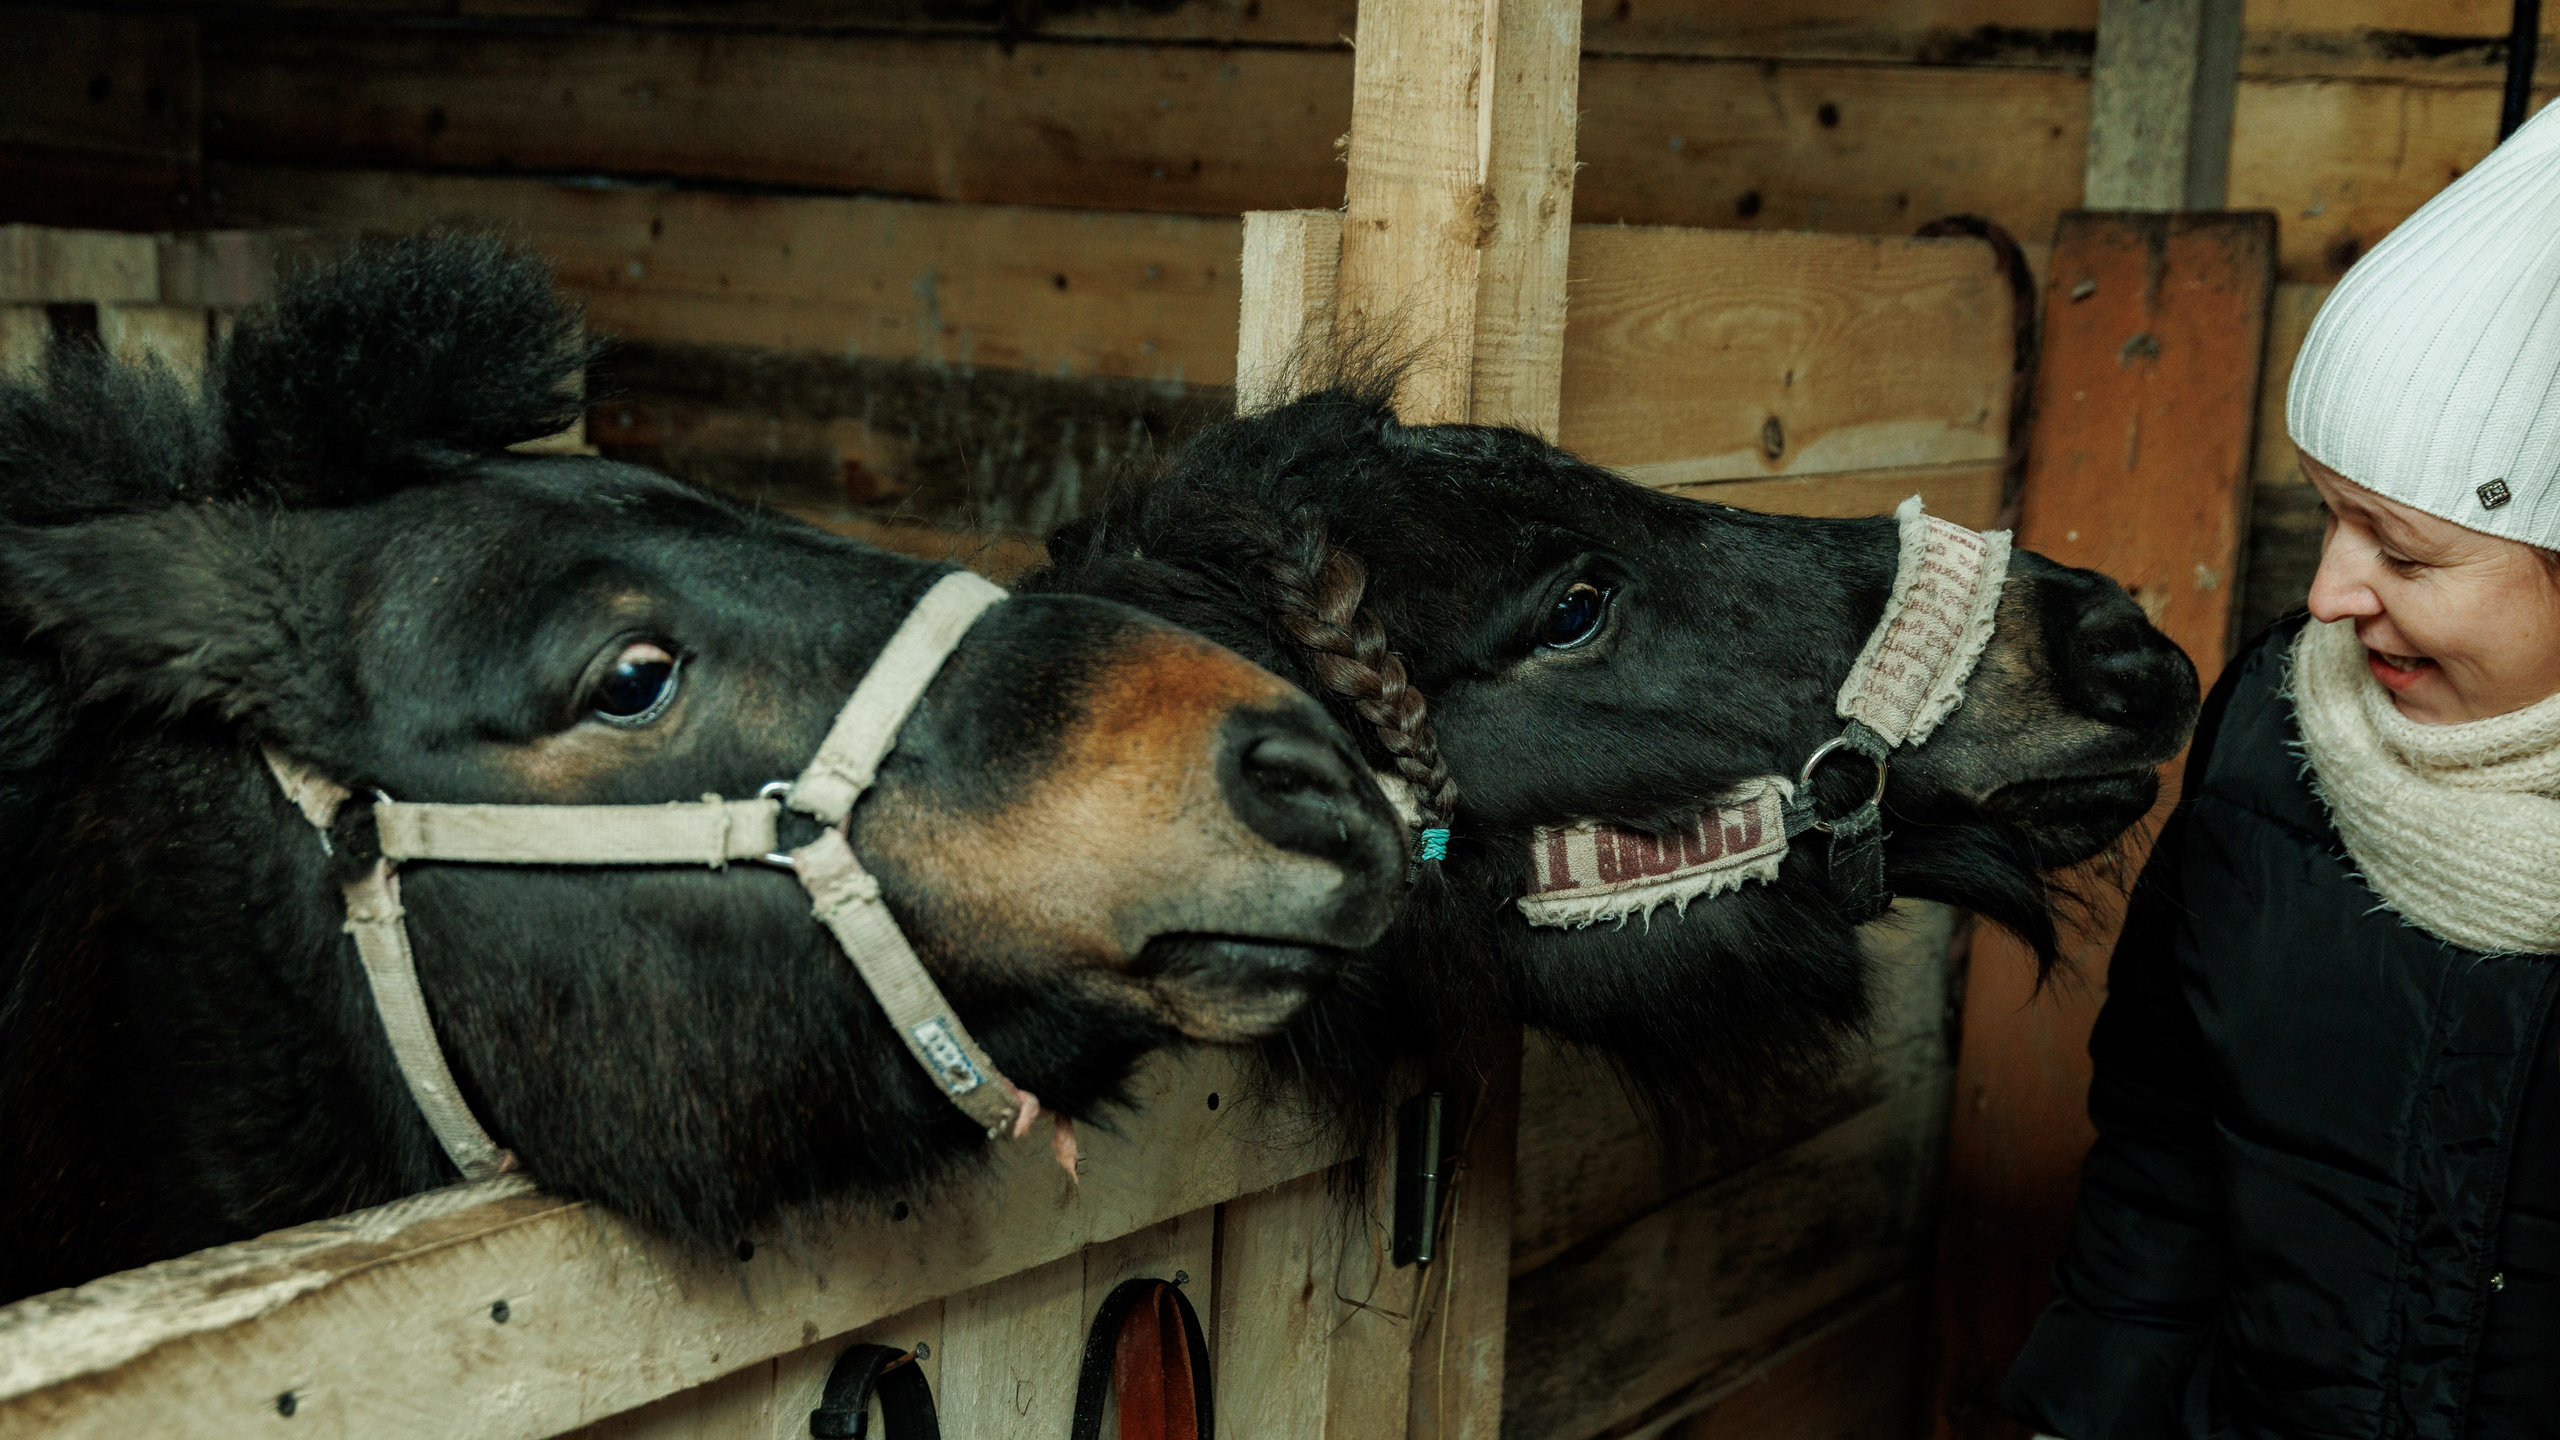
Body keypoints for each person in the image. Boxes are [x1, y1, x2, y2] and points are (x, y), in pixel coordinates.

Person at [2001, 104, 2560, 1438]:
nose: (2326, 596)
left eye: (2404, 550)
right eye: (2327, 513)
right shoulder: (2276, 728)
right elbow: (2164, 1152)